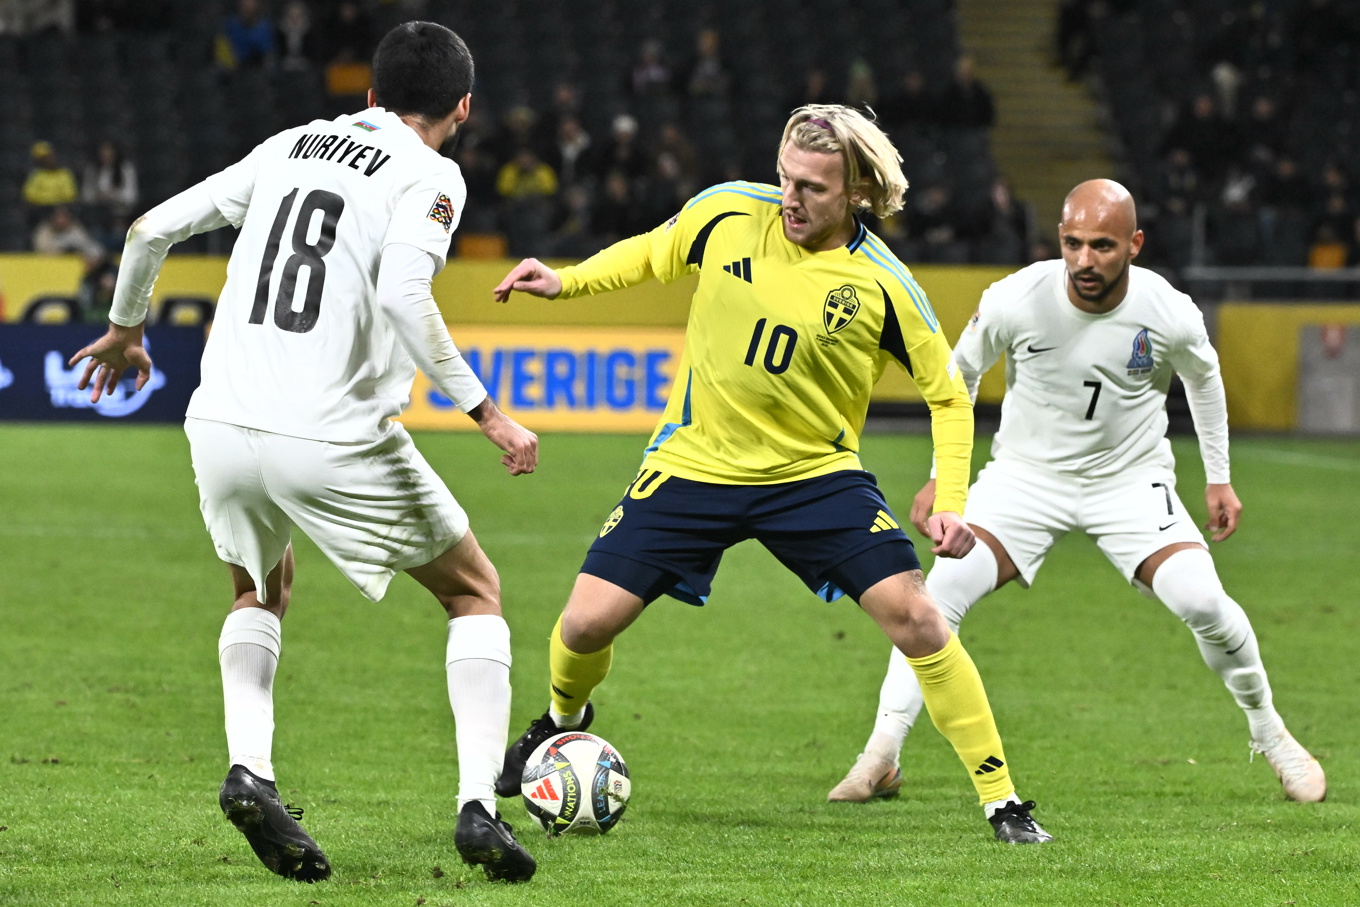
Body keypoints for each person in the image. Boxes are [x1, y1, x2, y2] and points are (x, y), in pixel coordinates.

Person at [491, 104, 1053, 845]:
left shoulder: (884, 284)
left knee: (918, 616)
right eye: (785, 178)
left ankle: (1004, 803)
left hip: (814, 476)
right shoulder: (726, 212)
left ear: (855, 191)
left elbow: (948, 395)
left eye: (813, 187)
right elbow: (653, 253)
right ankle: (563, 719)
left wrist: (951, 498)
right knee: (584, 623)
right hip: (694, 462)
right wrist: (566, 282)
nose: (790, 198)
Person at [68, 22, 541, 884]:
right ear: (463, 108)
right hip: (327, 433)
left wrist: (126, 327)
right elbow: (404, 294)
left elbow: (147, 230)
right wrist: (489, 414)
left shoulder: (289, 144)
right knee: (474, 590)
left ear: (370, 93)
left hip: (220, 423)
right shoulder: (430, 173)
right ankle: (480, 805)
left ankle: (250, 770)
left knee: (259, 588)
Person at [829, 179, 1327, 806]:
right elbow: (958, 377)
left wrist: (1218, 476)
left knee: (1203, 600)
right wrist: (942, 477)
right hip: (1024, 480)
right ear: (1059, 239)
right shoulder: (1015, 298)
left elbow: (1204, 380)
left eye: (1102, 246)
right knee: (936, 595)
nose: (1084, 260)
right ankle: (881, 756)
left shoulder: (1167, 310)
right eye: (1073, 243)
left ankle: (1272, 734)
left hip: (1129, 481)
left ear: (1134, 244)